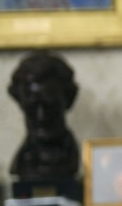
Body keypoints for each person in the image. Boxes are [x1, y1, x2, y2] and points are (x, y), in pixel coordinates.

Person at [8, 50, 80, 181]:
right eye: (31, 107)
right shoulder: (22, 161)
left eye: (51, 106)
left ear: (69, 99)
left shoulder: (74, 157)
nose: (41, 117)